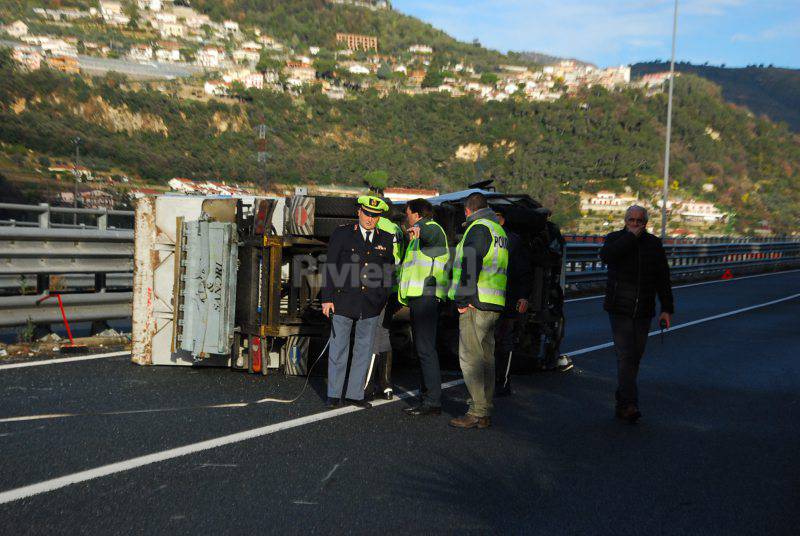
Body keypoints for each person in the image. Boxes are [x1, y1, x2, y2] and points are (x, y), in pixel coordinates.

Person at [600, 205, 674, 423]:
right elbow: (607, 256)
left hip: (644, 310)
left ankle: (623, 397)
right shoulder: (614, 238)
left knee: (636, 357)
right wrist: (630, 238)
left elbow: (663, 278)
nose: (634, 224)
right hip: (619, 308)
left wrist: (667, 309)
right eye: (631, 220)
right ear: (625, 220)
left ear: (646, 222)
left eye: (639, 221)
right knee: (625, 357)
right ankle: (630, 404)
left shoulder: (653, 244)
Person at [320, 195, 395, 409]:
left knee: (363, 350)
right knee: (339, 349)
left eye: (375, 216)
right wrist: (327, 299)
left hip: (370, 304)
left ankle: (355, 394)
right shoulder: (343, 234)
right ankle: (334, 394)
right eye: (367, 214)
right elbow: (331, 267)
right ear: (359, 212)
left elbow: (387, 273)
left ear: (379, 218)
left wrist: (381, 298)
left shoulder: (386, 239)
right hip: (343, 300)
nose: (370, 219)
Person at [447, 192, 508, 429]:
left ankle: (476, 411)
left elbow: (471, 263)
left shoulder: (478, 228)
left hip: (476, 302)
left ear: (467, 210)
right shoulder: (498, 230)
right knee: (486, 360)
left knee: (470, 359)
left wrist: (463, 299)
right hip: (493, 302)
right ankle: (484, 412)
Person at [398, 198, 450, 416]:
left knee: (426, 349)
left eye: (408, 213)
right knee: (422, 349)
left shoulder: (430, 228)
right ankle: (426, 396)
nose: (406, 217)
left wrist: (418, 228)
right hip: (419, 297)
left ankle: (433, 402)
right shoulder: (418, 236)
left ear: (417, 215)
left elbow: (429, 234)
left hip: (426, 297)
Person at [493, 208, 532, 397]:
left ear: (501, 220)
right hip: (489, 297)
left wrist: (523, 296)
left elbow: (522, 271)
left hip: (507, 298)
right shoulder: (487, 235)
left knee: (504, 340)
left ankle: (503, 381)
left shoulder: (513, 241)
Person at [366, 202, 404, 400]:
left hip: (380, 285)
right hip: (395, 286)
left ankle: (368, 385)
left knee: (372, 333)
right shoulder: (397, 228)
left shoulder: (379, 227)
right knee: (384, 333)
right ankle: (387, 385)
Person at [530, 207, 572, 372]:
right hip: (546, 286)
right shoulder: (549, 232)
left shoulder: (545, 233)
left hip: (547, 286)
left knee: (551, 322)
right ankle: (548, 357)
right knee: (551, 322)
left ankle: (548, 356)